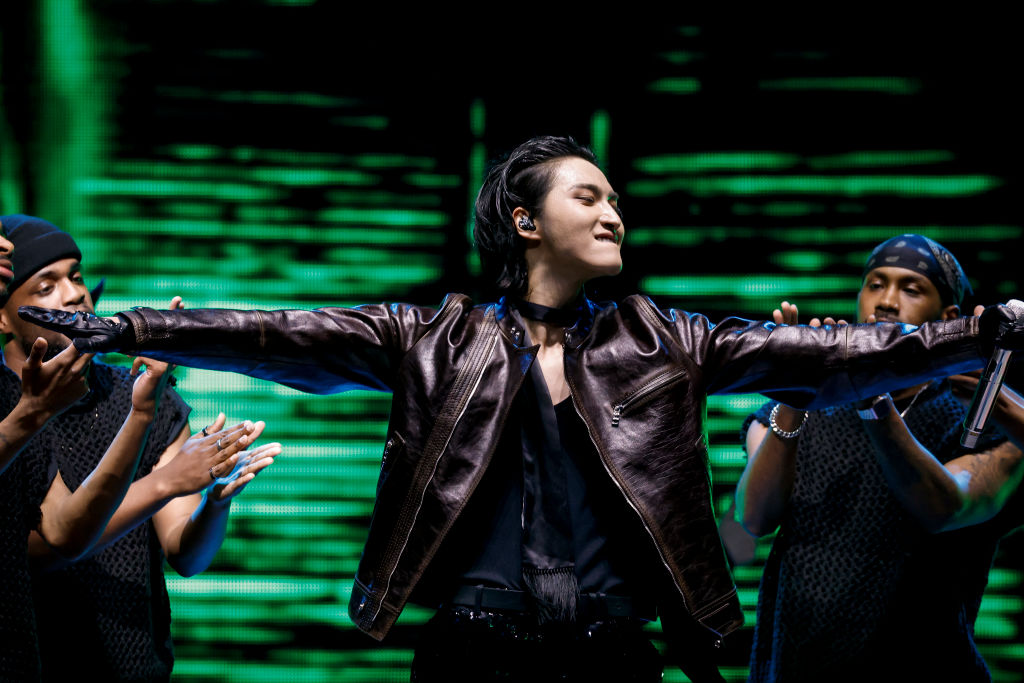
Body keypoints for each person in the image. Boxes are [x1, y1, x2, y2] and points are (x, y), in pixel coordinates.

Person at [18, 137, 1024, 682]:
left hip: (615, 651)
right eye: (587, 195)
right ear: (522, 218)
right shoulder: (431, 337)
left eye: (616, 198)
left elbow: (830, 354)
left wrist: (976, 334)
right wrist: (123, 327)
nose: (612, 211)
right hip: (471, 649)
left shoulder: (667, 339)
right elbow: (276, 331)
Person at [0, 214, 280, 682]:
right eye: (45, 286)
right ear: (4, 316)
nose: (73, 294)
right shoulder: (9, 408)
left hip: (132, 665)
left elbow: (185, 554)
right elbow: (41, 549)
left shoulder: (136, 393)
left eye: (76, 276)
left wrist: (213, 502)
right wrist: (165, 482)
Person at [733, 234, 1024, 682]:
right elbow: (752, 519)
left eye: (912, 288)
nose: (886, 302)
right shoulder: (789, 412)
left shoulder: (987, 422)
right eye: (875, 284)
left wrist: (872, 397)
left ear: (948, 318)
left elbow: (944, 508)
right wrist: (794, 394)